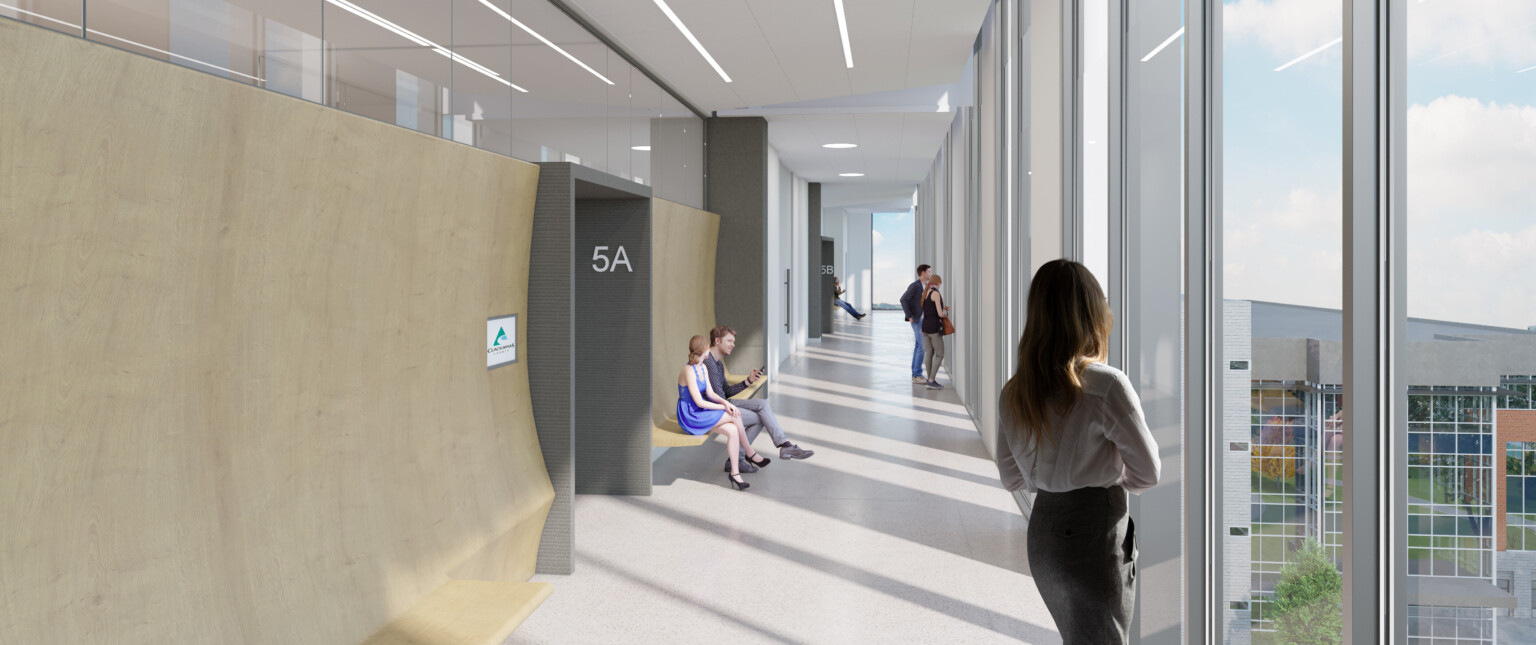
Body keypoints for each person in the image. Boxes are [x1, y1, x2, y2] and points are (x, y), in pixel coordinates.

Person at [992, 259, 1160, 644]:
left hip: (1044, 533)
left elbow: (1010, 476)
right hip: (1094, 531)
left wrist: (1053, 476)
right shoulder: (1105, 385)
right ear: (1092, 314)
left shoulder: (1014, 390)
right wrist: (1108, 475)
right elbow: (1147, 474)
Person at [704, 326, 814, 471]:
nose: (733, 344)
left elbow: (725, 391)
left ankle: (781, 446)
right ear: (717, 341)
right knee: (761, 414)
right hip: (715, 409)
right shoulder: (710, 363)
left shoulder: (717, 362)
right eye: (729, 341)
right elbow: (718, 397)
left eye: (733, 341)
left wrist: (748, 381)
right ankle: (782, 446)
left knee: (762, 407)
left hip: (723, 403)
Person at [677, 335, 769, 490]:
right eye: (708, 347)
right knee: (734, 415)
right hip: (691, 415)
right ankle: (750, 452)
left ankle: (735, 474)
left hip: (702, 411)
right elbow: (698, 401)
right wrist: (724, 407)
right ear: (705, 348)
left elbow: (711, 394)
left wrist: (725, 403)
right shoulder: (688, 370)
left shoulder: (703, 367)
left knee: (733, 431)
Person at [899, 264, 933, 384]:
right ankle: (917, 374)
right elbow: (903, 299)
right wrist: (909, 316)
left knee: (919, 346)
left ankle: (915, 373)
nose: (930, 274)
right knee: (922, 346)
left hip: (924, 320)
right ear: (923, 273)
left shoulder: (927, 286)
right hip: (917, 320)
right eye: (928, 272)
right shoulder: (915, 286)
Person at [919, 274, 948, 390]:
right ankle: (931, 380)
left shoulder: (925, 292)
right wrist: (945, 314)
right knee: (940, 353)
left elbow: (930, 308)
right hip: (933, 328)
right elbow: (940, 314)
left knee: (929, 353)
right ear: (938, 282)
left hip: (925, 327)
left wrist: (942, 308)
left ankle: (930, 379)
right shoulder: (935, 293)